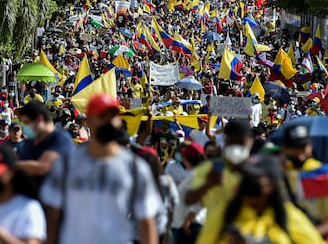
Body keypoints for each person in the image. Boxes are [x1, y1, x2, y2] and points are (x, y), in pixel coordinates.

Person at [40, 93, 161, 244]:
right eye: (102, 116)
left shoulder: (135, 168)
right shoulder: (66, 165)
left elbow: (147, 223)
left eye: (113, 116)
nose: (109, 122)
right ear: (88, 121)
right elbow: (52, 218)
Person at [220, 154, 325, 243]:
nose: (247, 184)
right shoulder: (225, 214)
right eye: (245, 178)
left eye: (254, 179)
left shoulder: (290, 217)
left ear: (272, 186)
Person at [185, 119, 253, 244]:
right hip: (213, 237)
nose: (236, 147)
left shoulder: (258, 169)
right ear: (226, 141)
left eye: (240, 142)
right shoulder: (209, 169)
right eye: (232, 142)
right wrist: (208, 185)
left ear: (249, 142)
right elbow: (189, 199)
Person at [282, 124, 328, 240]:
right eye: (294, 148)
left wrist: (306, 237)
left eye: (303, 147)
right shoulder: (279, 173)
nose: (300, 154)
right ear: (285, 148)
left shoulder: (326, 175)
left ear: (309, 146)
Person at [16, 100, 72, 189]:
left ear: (40, 119)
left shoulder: (61, 139)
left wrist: (9, 164)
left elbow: (42, 167)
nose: (25, 127)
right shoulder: (31, 141)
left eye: (27, 122)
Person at [171, 142, 207, 244]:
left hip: (191, 225)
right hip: (184, 224)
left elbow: (201, 198)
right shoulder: (192, 174)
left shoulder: (196, 175)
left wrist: (188, 220)